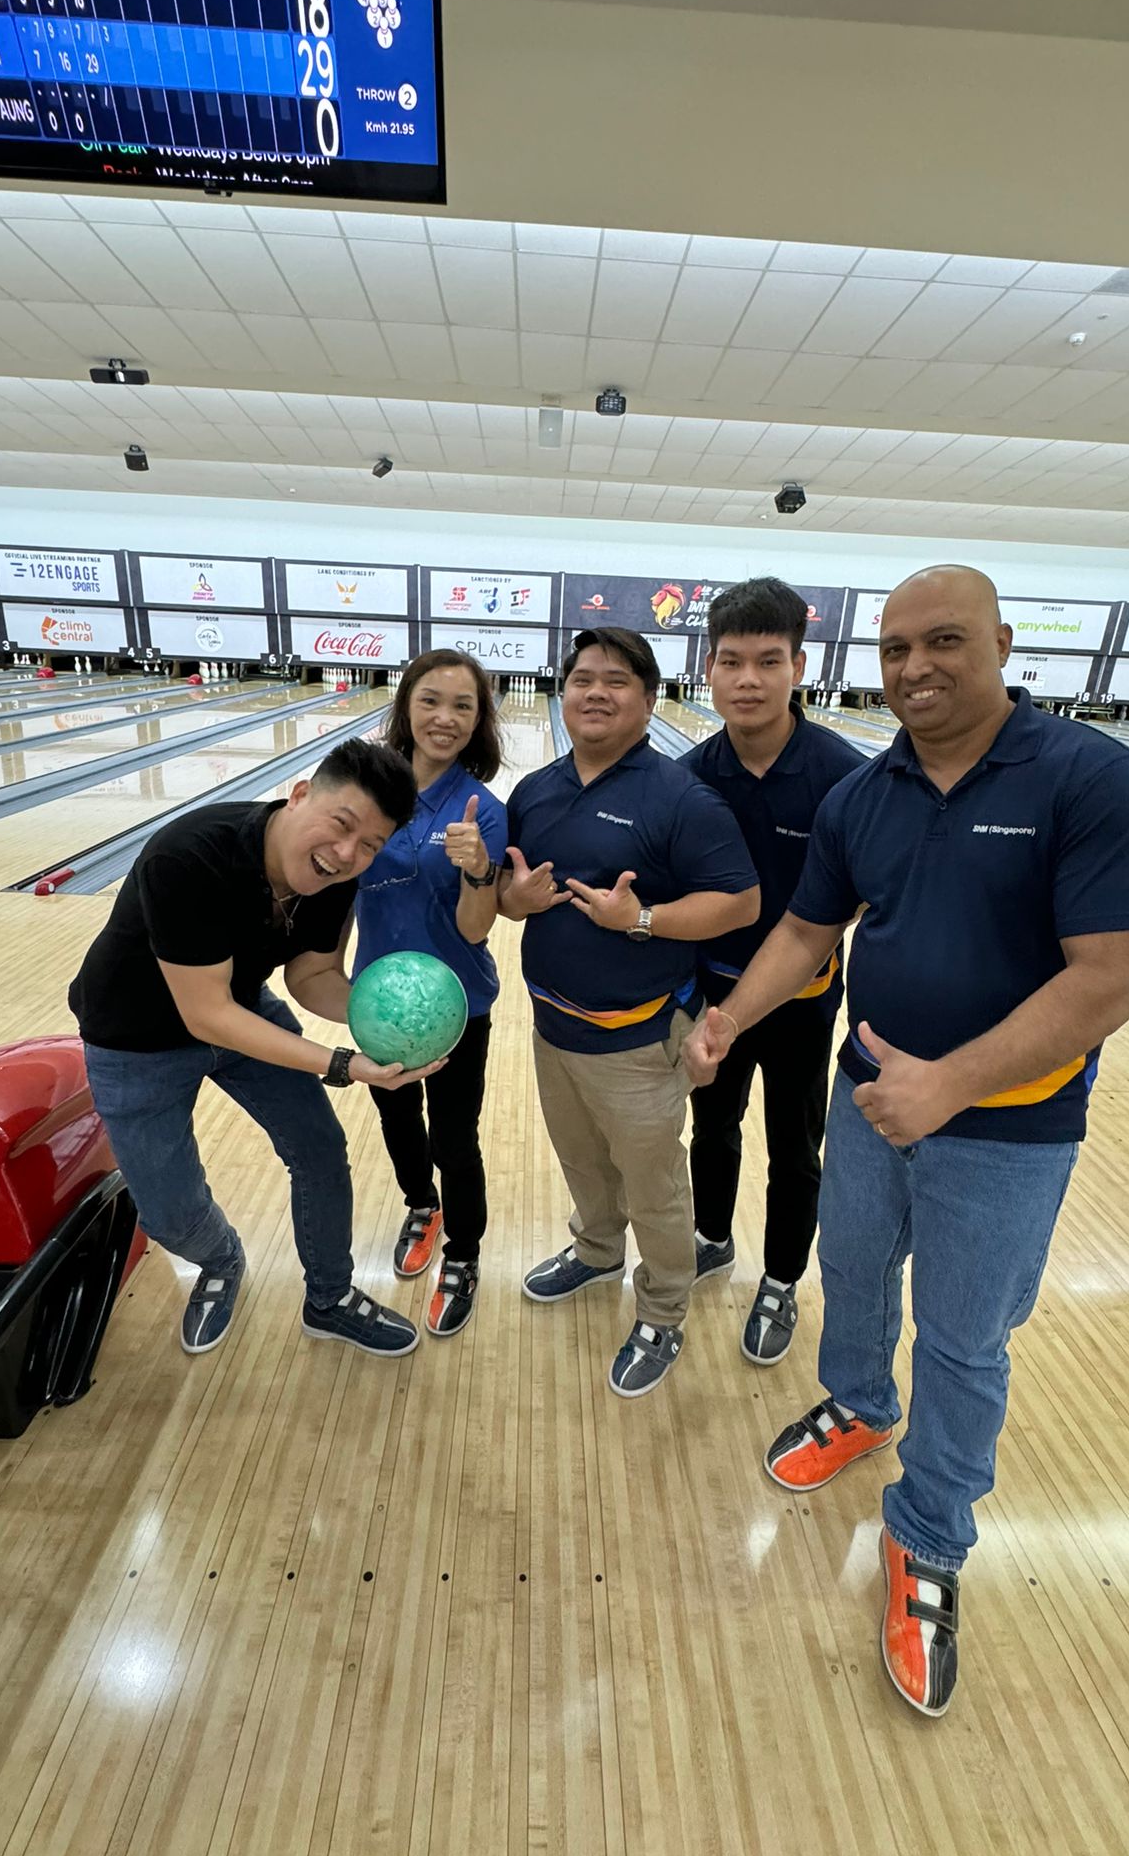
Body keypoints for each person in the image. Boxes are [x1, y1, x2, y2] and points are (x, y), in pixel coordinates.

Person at [685, 566, 1129, 1717]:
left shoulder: (1092, 778)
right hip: (869, 1099)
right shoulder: (869, 792)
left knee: (962, 1339)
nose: (915, 667)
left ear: (1003, 641)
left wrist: (948, 1087)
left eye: (943, 640)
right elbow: (808, 927)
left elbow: (1111, 977)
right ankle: (857, 1400)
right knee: (851, 1270)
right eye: (896, 648)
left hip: (1010, 1128)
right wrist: (731, 1015)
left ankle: (932, 1537)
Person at [70, 738, 439, 1358]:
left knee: (320, 1148)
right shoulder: (190, 856)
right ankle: (219, 1258)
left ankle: (329, 1298)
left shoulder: (339, 874)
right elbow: (205, 1013)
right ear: (299, 796)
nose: (346, 854)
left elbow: (310, 976)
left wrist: (392, 1022)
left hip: (238, 1010)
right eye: (340, 825)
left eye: (369, 845)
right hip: (134, 1041)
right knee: (168, 1214)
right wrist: (345, 1065)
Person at [501, 627, 759, 1398]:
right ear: (563, 691)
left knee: (655, 1188)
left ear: (649, 700)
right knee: (583, 1164)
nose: (596, 693)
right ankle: (595, 1251)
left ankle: (664, 1309)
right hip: (554, 1030)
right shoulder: (536, 790)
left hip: (640, 1043)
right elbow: (513, 895)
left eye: (618, 681)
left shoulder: (679, 798)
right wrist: (511, 905)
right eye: (583, 678)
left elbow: (740, 901)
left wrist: (640, 921)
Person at [684, 578, 864, 1364]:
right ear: (709, 669)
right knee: (712, 1128)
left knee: (795, 1146)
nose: (748, 679)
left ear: (800, 665)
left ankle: (783, 1280)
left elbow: (863, 896)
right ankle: (712, 1237)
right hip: (711, 993)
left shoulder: (845, 777)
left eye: (768, 661)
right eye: (731, 661)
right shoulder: (689, 774)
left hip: (803, 1001)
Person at [357, 649, 507, 1338]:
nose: (444, 718)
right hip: (379, 996)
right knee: (394, 1117)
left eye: (463, 706)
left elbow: (477, 931)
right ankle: (422, 1204)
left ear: (479, 721)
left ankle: (464, 1252)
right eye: (431, 700)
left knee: (455, 1133)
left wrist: (479, 870)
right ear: (406, 706)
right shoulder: (366, 789)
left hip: (458, 1002)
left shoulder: (485, 810)